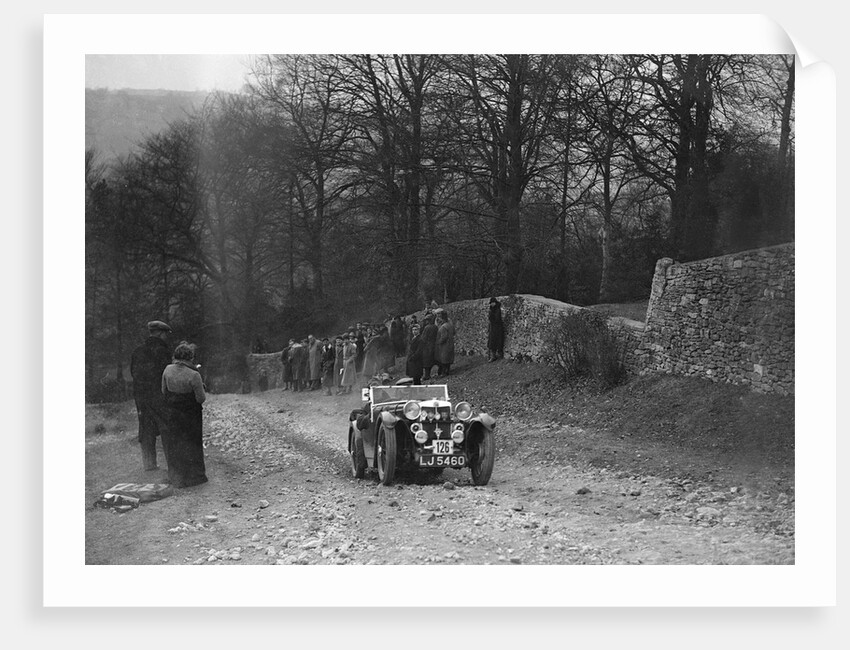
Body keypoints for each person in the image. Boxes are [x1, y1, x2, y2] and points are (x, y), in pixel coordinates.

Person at [161, 341, 207, 488]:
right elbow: (201, 398)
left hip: (173, 413)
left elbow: (164, 391)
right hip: (190, 415)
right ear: (191, 357)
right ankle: (194, 476)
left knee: (175, 443)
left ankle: (176, 476)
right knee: (192, 443)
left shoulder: (167, 370)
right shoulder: (194, 375)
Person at [130, 320, 173, 471]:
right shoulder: (163, 351)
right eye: (166, 334)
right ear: (160, 334)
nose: (167, 337)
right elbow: (166, 375)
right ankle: (172, 463)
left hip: (142, 396)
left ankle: (149, 464)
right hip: (159, 395)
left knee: (146, 428)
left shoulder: (138, 351)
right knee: (166, 427)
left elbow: (133, 374)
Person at [435, 311, 456, 376]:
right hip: (450, 343)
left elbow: (444, 337)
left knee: (444, 358)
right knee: (448, 358)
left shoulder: (443, 327)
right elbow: (454, 332)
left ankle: (444, 372)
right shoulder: (450, 325)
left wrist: (438, 342)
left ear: (442, 319)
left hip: (445, 345)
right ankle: (447, 370)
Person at [420, 313, 438, 381]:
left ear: (429, 320)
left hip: (427, 346)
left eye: (427, 320)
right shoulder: (435, 327)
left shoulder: (427, 328)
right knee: (434, 359)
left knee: (427, 361)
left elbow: (423, 338)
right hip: (434, 345)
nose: (426, 321)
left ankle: (427, 375)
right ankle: (441, 371)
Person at [488, 297, 505, 361]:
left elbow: (497, 319)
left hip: (498, 327)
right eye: (491, 303)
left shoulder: (498, 309)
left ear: (495, 303)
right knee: (492, 342)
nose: (491, 304)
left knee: (498, 341)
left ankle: (499, 354)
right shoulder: (491, 309)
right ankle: (493, 356)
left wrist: (491, 318)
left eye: (492, 303)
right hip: (493, 328)